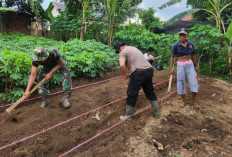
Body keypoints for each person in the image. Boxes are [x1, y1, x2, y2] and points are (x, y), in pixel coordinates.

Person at [114, 42, 160, 121]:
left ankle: (128, 116)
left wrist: (125, 75)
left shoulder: (123, 52)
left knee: (131, 93)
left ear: (120, 48)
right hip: (149, 70)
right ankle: (157, 113)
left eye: (118, 51)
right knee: (150, 91)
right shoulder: (134, 48)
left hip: (139, 73)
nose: (119, 53)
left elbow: (122, 65)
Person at [170, 28, 200, 108]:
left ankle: (193, 101)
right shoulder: (175, 45)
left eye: (183, 35)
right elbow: (172, 57)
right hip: (180, 65)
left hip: (190, 64)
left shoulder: (190, 44)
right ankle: (184, 101)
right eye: (180, 35)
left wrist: (196, 65)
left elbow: (193, 55)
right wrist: (171, 68)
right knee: (181, 82)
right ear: (178, 36)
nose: (182, 36)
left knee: (194, 82)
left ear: (186, 35)